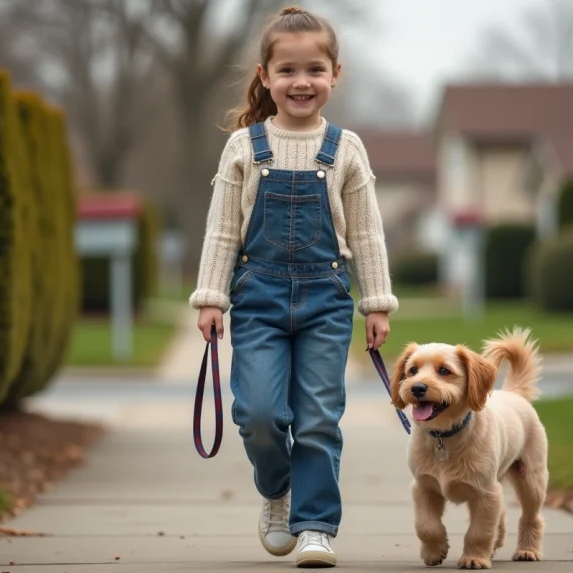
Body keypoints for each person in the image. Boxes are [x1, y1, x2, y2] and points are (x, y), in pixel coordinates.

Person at [188, 5, 399, 568]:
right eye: (287, 70)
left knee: (318, 417)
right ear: (265, 76)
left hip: (326, 301)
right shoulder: (244, 147)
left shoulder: (346, 148)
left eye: (313, 70)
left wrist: (376, 303)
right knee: (258, 414)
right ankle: (277, 491)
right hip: (256, 298)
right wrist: (211, 297)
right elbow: (223, 230)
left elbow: (368, 234)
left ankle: (315, 525)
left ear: (335, 74)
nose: (300, 82)